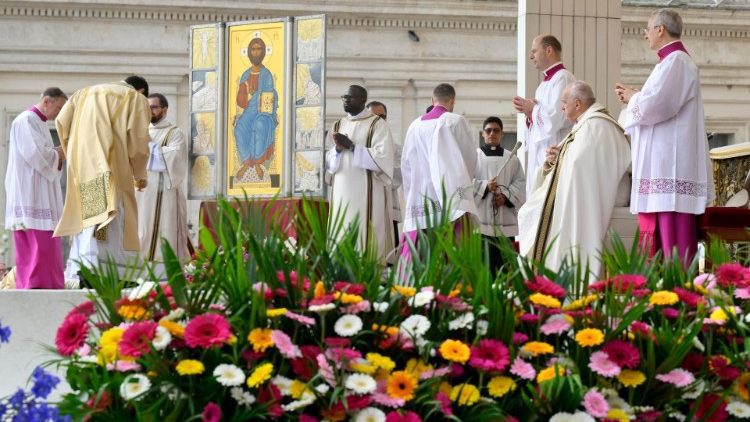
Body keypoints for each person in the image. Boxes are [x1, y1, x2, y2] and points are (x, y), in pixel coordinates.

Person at [615, 8, 713, 266]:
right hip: (662, 168)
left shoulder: (677, 61)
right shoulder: (668, 63)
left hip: (669, 168)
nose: (645, 35)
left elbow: (657, 106)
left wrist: (632, 98)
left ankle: (677, 296)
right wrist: (637, 94)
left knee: (672, 243)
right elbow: (657, 100)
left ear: (660, 29)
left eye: (648, 29)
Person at [518, 81, 631, 278]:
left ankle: (555, 279)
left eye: (564, 102)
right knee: (529, 211)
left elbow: (579, 165)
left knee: (535, 213)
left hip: (596, 197)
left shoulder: (597, 126)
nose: (562, 107)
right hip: (581, 191)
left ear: (577, 104)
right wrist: (556, 157)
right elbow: (574, 161)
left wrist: (562, 157)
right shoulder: (586, 125)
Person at [55, 75, 151, 282]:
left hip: (82, 165)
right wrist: (139, 174)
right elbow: (138, 141)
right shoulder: (135, 98)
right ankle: (115, 273)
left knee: (89, 217)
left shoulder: (82, 93)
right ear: (142, 91)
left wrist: (71, 153)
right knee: (114, 218)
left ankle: (86, 267)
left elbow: (61, 123)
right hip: (113, 163)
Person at [4, 87, 67, 289]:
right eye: (59, 108)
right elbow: (37, 155)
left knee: (46, 243)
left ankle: (49, 283)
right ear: (47, 102)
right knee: (36, 243)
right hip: (30, 192)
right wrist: (61, 153)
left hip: (39, 190)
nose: (59, 113)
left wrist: (57, 154)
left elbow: (46, 154)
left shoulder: (39, 122)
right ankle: (35, 284)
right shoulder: (26, 120)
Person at [326, 85, 395, 264]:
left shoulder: (377, 124)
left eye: (351, 97)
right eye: (344, 97)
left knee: (366, 239)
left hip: (367, 195)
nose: (346, 100)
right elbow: (328, 163)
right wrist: (338, 150)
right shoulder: (337, 125)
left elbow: (383, 158)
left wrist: (352, 147)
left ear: (363, 100)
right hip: (341, 192)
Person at [401, 83, 478, 237]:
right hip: (448, 195)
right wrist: (463, 188)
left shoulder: (414, 126)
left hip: (420, 198)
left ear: (432, 100)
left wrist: (411, 193)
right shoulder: (455, 121)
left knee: (422, 252)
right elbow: (469, 160)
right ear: (452, 101)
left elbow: (406, 165)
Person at [513, 34, 576, 197]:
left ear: (549, 50)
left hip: (554, 148)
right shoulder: (544, 84)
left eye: (534, 51)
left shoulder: (563, 78)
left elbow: (556, 118)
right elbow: (542, 117)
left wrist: (533, 110)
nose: (530, 56)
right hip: (541, 152)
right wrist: (529, 113)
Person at [136, 93, 190, 270]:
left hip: (163, 192)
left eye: (154, 107)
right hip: (142, 192)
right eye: (147, 107)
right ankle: (140, 268)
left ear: (165, 110)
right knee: (141, 228)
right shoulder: (140, 132)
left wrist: (149, 147)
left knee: (164, 228)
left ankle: (164, 269)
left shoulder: (175, 133)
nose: (150, 111)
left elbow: (175, 157)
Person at [473, 116, 526, 274]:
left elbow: (521, 184)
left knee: (506, 267)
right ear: (483, 134)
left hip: (505, 222)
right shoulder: (474, 157)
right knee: (484, 267)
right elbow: (464, 183)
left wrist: (506, 197)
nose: (492, 134)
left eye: (496, 131)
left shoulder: (512, 159)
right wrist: (484, 186)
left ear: (501, 134)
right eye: (488, 130)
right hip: (481, 222)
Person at [234, 37, 278, 180]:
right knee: (239, 127)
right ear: (249, 52)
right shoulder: (246, 75)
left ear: (263, 52)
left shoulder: (267, 75)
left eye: (259, 49)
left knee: (258, 125)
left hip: (264, 112)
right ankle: (247, 162)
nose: (256, 52)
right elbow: (240, 102)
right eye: (253, 49)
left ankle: (258, 163)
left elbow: (269, 96)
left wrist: (259, 101)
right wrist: (247, 94)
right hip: (250, 110)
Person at [367, 100, 403, 245]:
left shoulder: (396, 149)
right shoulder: (356, 146)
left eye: (382, 117)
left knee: (388, 259)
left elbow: (397, 179)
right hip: (364, 207)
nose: (378, 121)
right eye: (373, 117)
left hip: (387, 207)